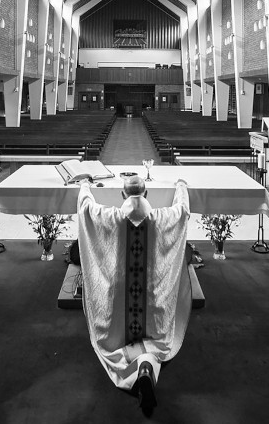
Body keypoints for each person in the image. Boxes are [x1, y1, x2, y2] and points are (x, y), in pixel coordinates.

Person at [76, 175, 191, 414]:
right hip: (153, 309)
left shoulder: (111, 218)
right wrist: (180, 185)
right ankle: (146, 366)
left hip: (117, 315)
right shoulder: (161, 218)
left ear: (122, 195)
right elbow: (182, 211)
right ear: (147, 195)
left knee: (113, 343)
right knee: (158, 341)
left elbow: (86, 209)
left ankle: (140, 371)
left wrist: (85, 186)